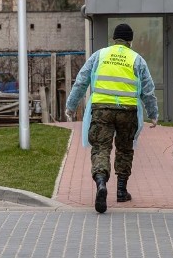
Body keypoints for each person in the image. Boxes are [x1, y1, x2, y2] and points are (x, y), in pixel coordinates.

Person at [65, 23, 159, 213]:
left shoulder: (99, 55)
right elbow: (148, 90)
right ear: (130, 41)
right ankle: (121, 191)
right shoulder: (137, 59)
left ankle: (101, 183)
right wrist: (153, 114)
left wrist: (70, 106)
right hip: (128, 111)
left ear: (114, 39)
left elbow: (82, 80)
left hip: (101, 109)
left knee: (101, 147)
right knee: (125, 149)